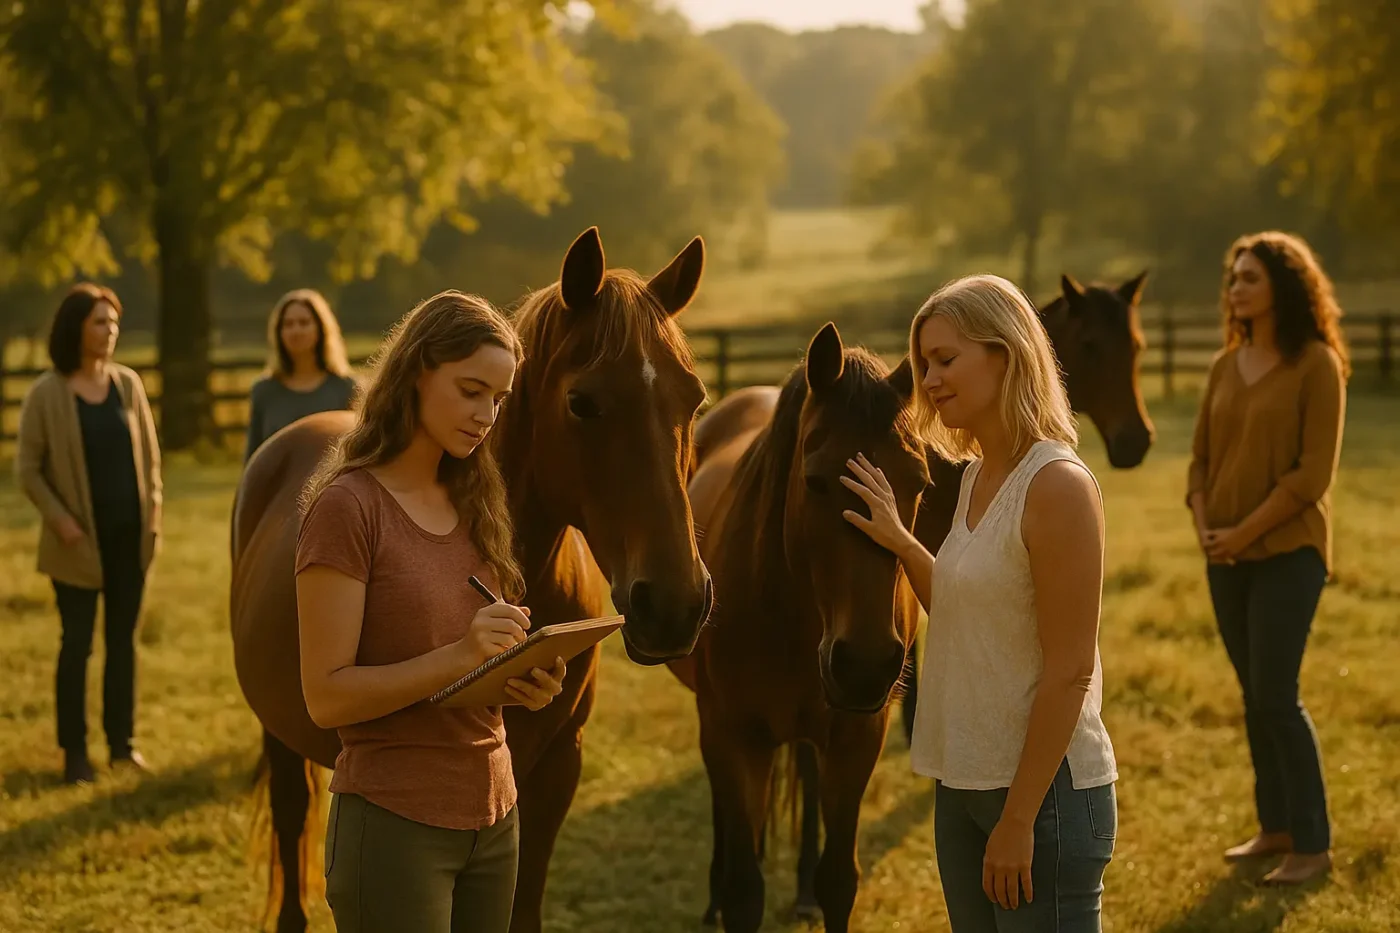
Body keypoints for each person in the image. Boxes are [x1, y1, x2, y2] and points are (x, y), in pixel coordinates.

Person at [842, 274, 1117, 931]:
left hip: (1040, 793)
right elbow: (969, 612)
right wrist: (903, 542)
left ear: (1006, 353)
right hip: (963, 781)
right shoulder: (974, 479)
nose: (929, 380)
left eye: (945, 358)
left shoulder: (1056, 485)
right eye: (923, 363)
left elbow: (1070, 668)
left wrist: (1020, 817)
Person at [294, 290, 568, 933]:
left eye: (499, 400)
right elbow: (326, 699)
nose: (485, 416)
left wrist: (521, 677)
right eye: (471, 390)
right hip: (395, 822)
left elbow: (468, 675)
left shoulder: (478, 503)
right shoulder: (349, 508)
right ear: (416, 372)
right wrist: (462, 655)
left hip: (496, 816)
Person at [1187, 231, 1349, 886]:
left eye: (1249, 277)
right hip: (1223, 556)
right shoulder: (1225, 364)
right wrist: (1207, 527)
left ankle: (1313, 844)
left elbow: (1311, 476)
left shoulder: (1317, 365)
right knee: (1255, 696)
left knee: (1278, 695)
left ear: (1284, 285)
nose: (1236, 288)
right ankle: (1275, 826)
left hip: (1288, 552)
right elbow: (1199, 459)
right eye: (1233, 278)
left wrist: (1243, 531)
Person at [14, 283, 163, 786]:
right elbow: (27, 469)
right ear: (76, 328)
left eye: (114, 322)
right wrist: (59, 519)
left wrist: (154, 520)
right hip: (75, 545)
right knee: (77, 644)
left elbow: (151, 461)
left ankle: (122, 745)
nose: (110, 331)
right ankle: (74, 754)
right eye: (100, 322)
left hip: (129, 541)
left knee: (123, 642)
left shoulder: (128, 385)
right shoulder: (46, 393)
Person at [243, 288, 357, 463]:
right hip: (278, 489)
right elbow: (252, 460)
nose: (296, 330)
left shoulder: (346, 388)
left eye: (304, 323)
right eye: (288, 324)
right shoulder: (264, 391)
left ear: (321, 329)